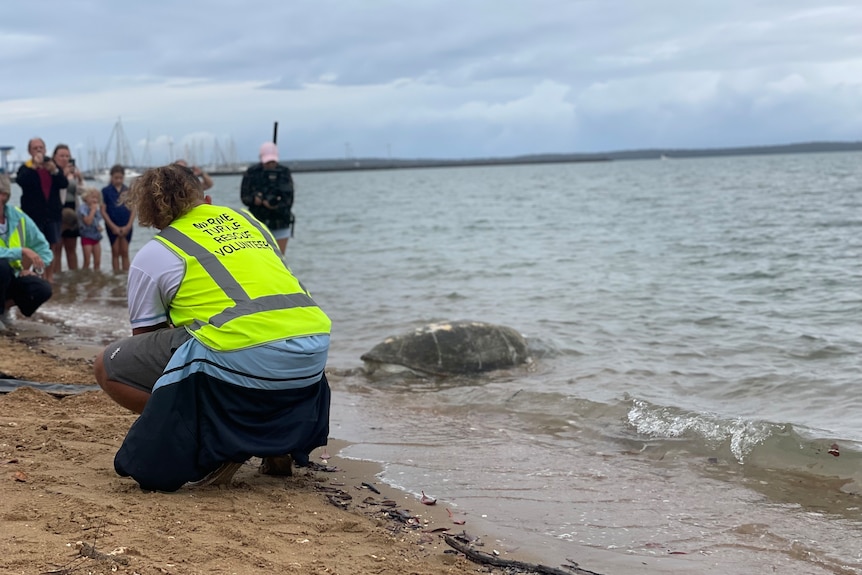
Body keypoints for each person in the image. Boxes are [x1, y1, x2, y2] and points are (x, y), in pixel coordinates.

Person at [93, 163, 332, 492]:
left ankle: (214, 439)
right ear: (204, 197)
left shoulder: (157, 252)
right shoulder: (249, 221)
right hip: (312, 354)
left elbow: (147, 341)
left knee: (108, 366)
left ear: (149, 212)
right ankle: (275, 442)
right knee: (247, 343)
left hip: (248, 356)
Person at [0, 173, 53, 331]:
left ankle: (3, 310)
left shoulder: (18, 216)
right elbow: (21, 252)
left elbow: (44, 250)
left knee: (42, 289)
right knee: (1, 266)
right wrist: (22, 251)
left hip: (12, 276)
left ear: (3, 195)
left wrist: (33, 269)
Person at [15, 137, 68, 283]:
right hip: (32, 215)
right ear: (29, 151)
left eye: (41, 147)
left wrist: (55, 171)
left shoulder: (52, 166)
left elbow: (64, 183)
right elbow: (21, 181)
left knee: (52, 246)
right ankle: (24, 276)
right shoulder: (26, 167)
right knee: (31, 246)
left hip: (52, 214)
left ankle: (48, 277)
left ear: (45, 149)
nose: (38, 150)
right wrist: (34, 167)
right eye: (35, 148)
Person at [240, 142, 295, 253]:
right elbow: (244, 197)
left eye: (273, 161)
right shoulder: (252, 172)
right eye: (267, 162)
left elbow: (289, 200)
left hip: (280, 221)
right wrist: (255, 200)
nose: (270, 164)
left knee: (280, 258)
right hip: (258, 221)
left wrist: (274, 205)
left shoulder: (284, 172)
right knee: (260, 256)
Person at [54, 144, 84, 273]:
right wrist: (63, 175)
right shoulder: (53, 171)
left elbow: (82, 192)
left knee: (71, 248)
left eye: (67, 156)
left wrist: (80, 179)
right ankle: (57, 276)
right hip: (58, 210)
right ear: (55, 157)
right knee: (57, 247)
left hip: (72, 210)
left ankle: (74, 278)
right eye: (62, 155)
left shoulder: (74, 172)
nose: (65, 158)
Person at [100, 164, 134, 273]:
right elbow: (103, 210)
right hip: (112, 224)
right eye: (116, 178)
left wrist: (129, 225)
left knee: (125, 251)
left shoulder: (128, 190)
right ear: (111, 177)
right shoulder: (106, 191)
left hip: (126, 224)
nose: (118, 180)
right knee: (115, 252)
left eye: (120, 178)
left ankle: (125, 277)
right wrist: (112, 226)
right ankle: (116, 276)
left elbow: (133, 209)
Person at [78, 188, 104, 270]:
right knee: (87, 261)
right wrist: (92, 210)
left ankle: (96, 280)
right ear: (86, 197)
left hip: (96, 236)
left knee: (97, 261)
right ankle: (85, 278)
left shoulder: (96, 209)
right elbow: (88, 222)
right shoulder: (83, 208)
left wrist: (99, 227)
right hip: (86, 236)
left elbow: (96, 221)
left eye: (96, 198)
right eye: (92, 197)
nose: (95, 200)